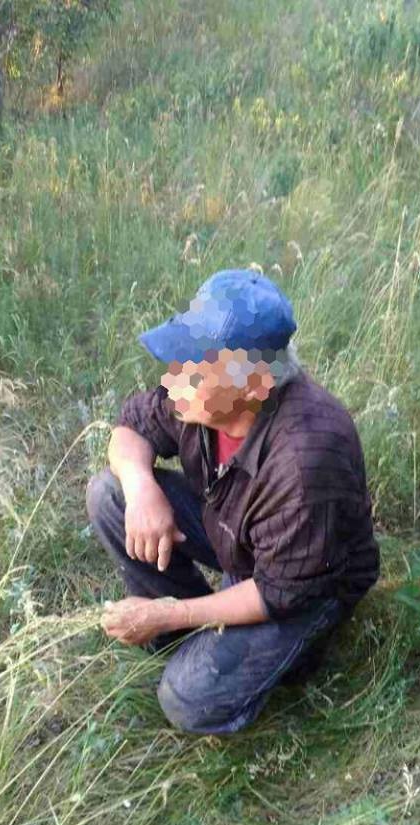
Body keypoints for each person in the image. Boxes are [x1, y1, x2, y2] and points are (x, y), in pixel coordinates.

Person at [86, 267, 380, 735]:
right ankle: (184, 638)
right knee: (112, 493)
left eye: (194, 369)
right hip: (237, 534)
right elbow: (132, 427)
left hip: (300, 586)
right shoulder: (195, 399)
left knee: (184, 699)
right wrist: (142, 488)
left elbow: (279, 591)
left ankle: (289, 658)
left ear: (253, 386)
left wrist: (169, 610)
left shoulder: (306, 459)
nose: (172, 377)